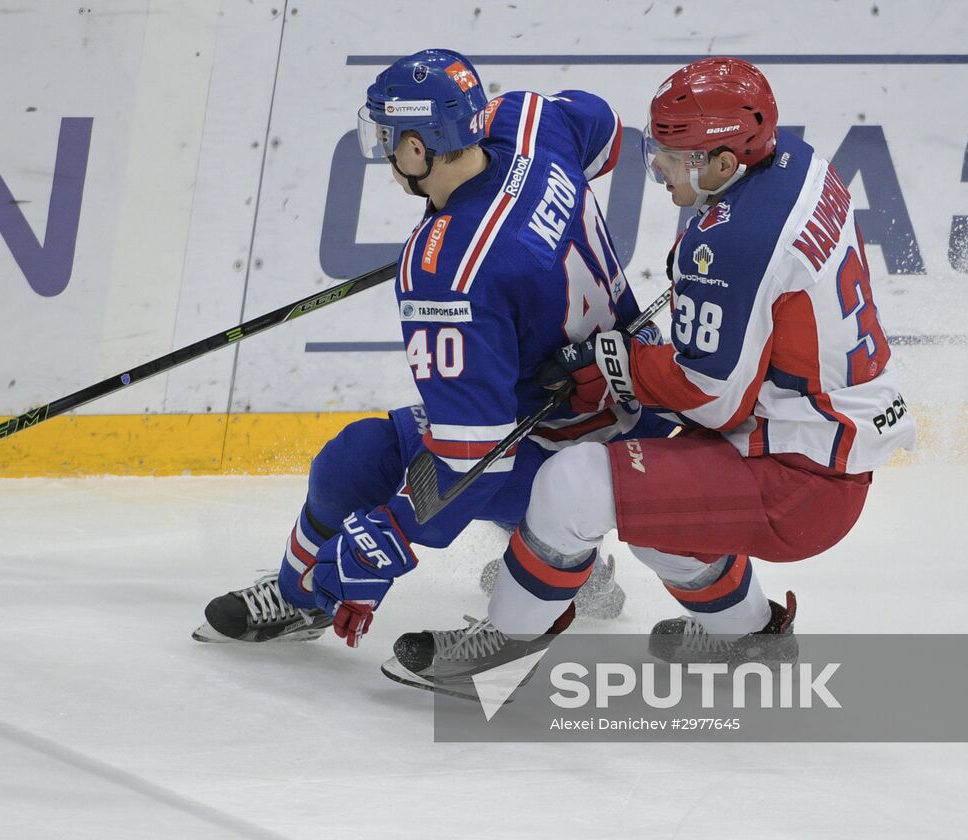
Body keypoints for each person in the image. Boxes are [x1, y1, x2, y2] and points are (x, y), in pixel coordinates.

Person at [384, 56, 916, 693]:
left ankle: (509, 647)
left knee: (571, 485)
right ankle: (750, 638)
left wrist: (620, 361)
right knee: (654, 515)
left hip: (796, 477)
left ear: (724, 161)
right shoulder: (794, 163)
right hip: (823, 436)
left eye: (675, 153)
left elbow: (712, 399)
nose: (657, 166)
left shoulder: (731, 242)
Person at [192, 48, 671, 649]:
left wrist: (387, 534)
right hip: (638, 392)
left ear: (418, 148)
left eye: (389, 138)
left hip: (573, 448)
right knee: (448, 429)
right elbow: (600, 129)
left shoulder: (449, 272)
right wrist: (504, 217)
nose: (385, 152)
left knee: (358, 460)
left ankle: (303, 594)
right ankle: (570, 559)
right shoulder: (525, 121)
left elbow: (475, 452)